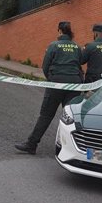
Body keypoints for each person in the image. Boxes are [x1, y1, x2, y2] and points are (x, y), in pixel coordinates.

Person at [15, 21, 83, 155]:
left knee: (46, 115)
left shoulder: (53, 45)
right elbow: (79, 65)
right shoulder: (77, 47)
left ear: (59, 31)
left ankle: (31, 144)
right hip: (74, 84)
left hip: (56, 83)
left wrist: (51, 80)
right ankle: (73, 148)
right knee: (70, 117)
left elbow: (45, 66)